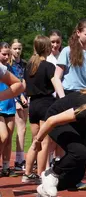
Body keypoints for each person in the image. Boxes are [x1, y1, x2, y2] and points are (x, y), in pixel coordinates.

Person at [51, 18, 86, 190]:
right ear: (78, 32)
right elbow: (56, 77)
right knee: (72, 142)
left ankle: (75, 180)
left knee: (84, 141)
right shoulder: (67, 51)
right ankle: (54, 174)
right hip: (69, 96)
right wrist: (63, 99)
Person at [23, 35, 56, 183]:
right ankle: (42, 174)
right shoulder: (49, 67)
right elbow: (57, 86)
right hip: (45, 104)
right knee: (44, 142)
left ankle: (27, 173)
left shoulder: (29, 66)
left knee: (35, 141)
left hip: (33, 105)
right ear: (47, 48)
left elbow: (24, 86)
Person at [0, 42, 25, 177]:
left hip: (8, 104)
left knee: (8, 137)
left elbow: (17, 85)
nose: (6, 57)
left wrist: (18, 98)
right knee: (3, 136)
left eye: (8, 54)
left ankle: (5, 167)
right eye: (4, 54)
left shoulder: (9, 68)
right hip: (1, 106)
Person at [46, 29, 65, 163]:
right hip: (49, 97)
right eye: (52, 42)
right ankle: (47, 159)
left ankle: (59, 159)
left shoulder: (63, 56)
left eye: (57, 42)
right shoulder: (46, 58)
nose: (55, 44)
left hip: (62, 96)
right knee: (49, 132)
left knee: (62, 130)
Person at [10, 39, 28, 171]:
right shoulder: (8, 65)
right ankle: (18, 160)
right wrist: (17, 100)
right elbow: (11, 84)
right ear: (10, 49)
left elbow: (25, 82)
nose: (17, 51)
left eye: (19, 48)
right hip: (13, 99)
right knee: (18, 129)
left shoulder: (24, 64)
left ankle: (20, 159)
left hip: (25, 98)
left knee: (23, 129)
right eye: (15, 48)